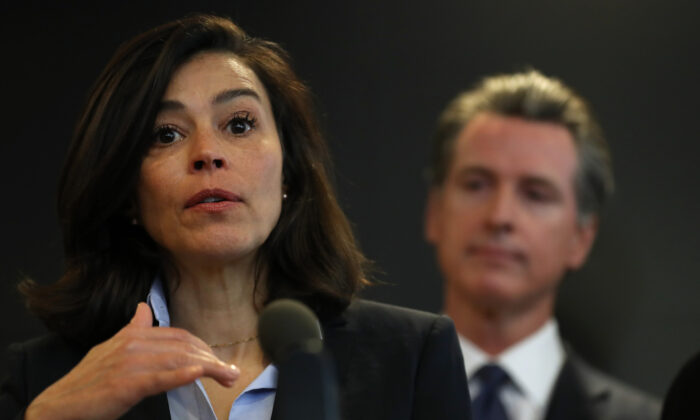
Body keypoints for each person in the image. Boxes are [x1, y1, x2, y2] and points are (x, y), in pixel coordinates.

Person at [0, 14, 470, 420]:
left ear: (288, 169)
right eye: (166, 134)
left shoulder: (410, 356)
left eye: (239, 124)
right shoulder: (43, 379)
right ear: (126, 191)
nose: (207, 153)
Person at [424, 70, 660, 420]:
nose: (500, 216)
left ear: (582, 238)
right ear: (435, 212)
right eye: (476, 185)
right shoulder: (349, 403)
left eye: (535, 194)